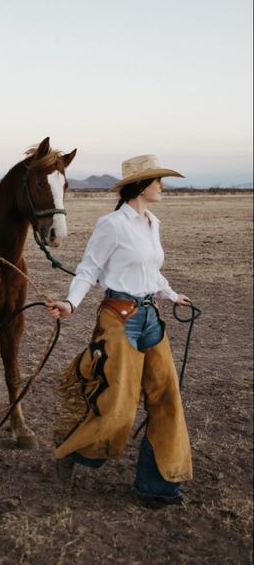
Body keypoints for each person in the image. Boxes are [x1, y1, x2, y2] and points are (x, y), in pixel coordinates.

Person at [46, 154, 193, 508]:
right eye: (158, 180)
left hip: (150, 318)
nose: (162, 186)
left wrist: (171, 293)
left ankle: (158, 486)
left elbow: (150, 271)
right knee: (119, 404)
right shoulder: (112, 224)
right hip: (119, 317)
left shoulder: (151, 222)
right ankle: (74, 453)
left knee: (168, 398)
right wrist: (70, 303)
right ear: (141, 185)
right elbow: (89, 268)